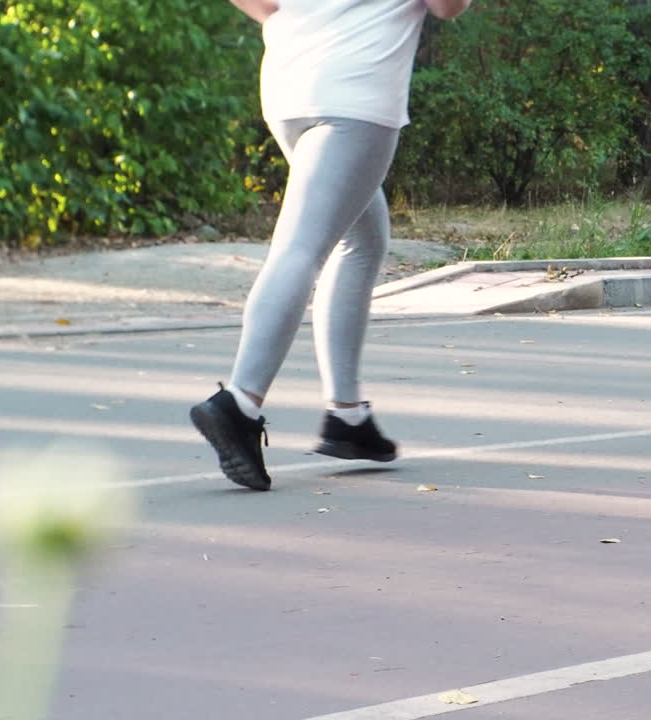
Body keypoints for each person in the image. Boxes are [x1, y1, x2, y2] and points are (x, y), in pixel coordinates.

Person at [190, 0, 472, 491]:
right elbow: (448, 7)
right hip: (356, 90)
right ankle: (239, 403)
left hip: (291, 83)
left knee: (364, 239)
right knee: (302, 246)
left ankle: (348, 418)